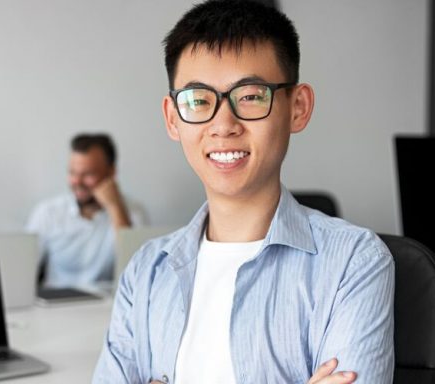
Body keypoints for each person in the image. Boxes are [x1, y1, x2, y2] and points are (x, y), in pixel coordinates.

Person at [93, 1, 394, 384]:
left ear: (298, 107)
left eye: (250, 96)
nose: (223, 125)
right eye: (198, 100)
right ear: (173, 118)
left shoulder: (354, 262)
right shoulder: (145, 272)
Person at [26, 133, 147, 289]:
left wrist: (115, 208)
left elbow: (137, 272)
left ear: (111, 173)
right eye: (72, 173)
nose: (77, 182)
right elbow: (23, 271)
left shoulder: (133, 212)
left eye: (88, 174)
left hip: (105, 302)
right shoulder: (48, 212)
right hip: (56, 300)